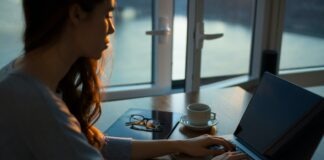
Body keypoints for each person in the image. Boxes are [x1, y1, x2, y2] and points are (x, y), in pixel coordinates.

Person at [0, 0, 248, 159]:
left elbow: (94, 145)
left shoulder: (19, 74)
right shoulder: (36, 104)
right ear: (76, 13)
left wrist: (180, 145)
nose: (112, 27)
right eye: (107, 13)